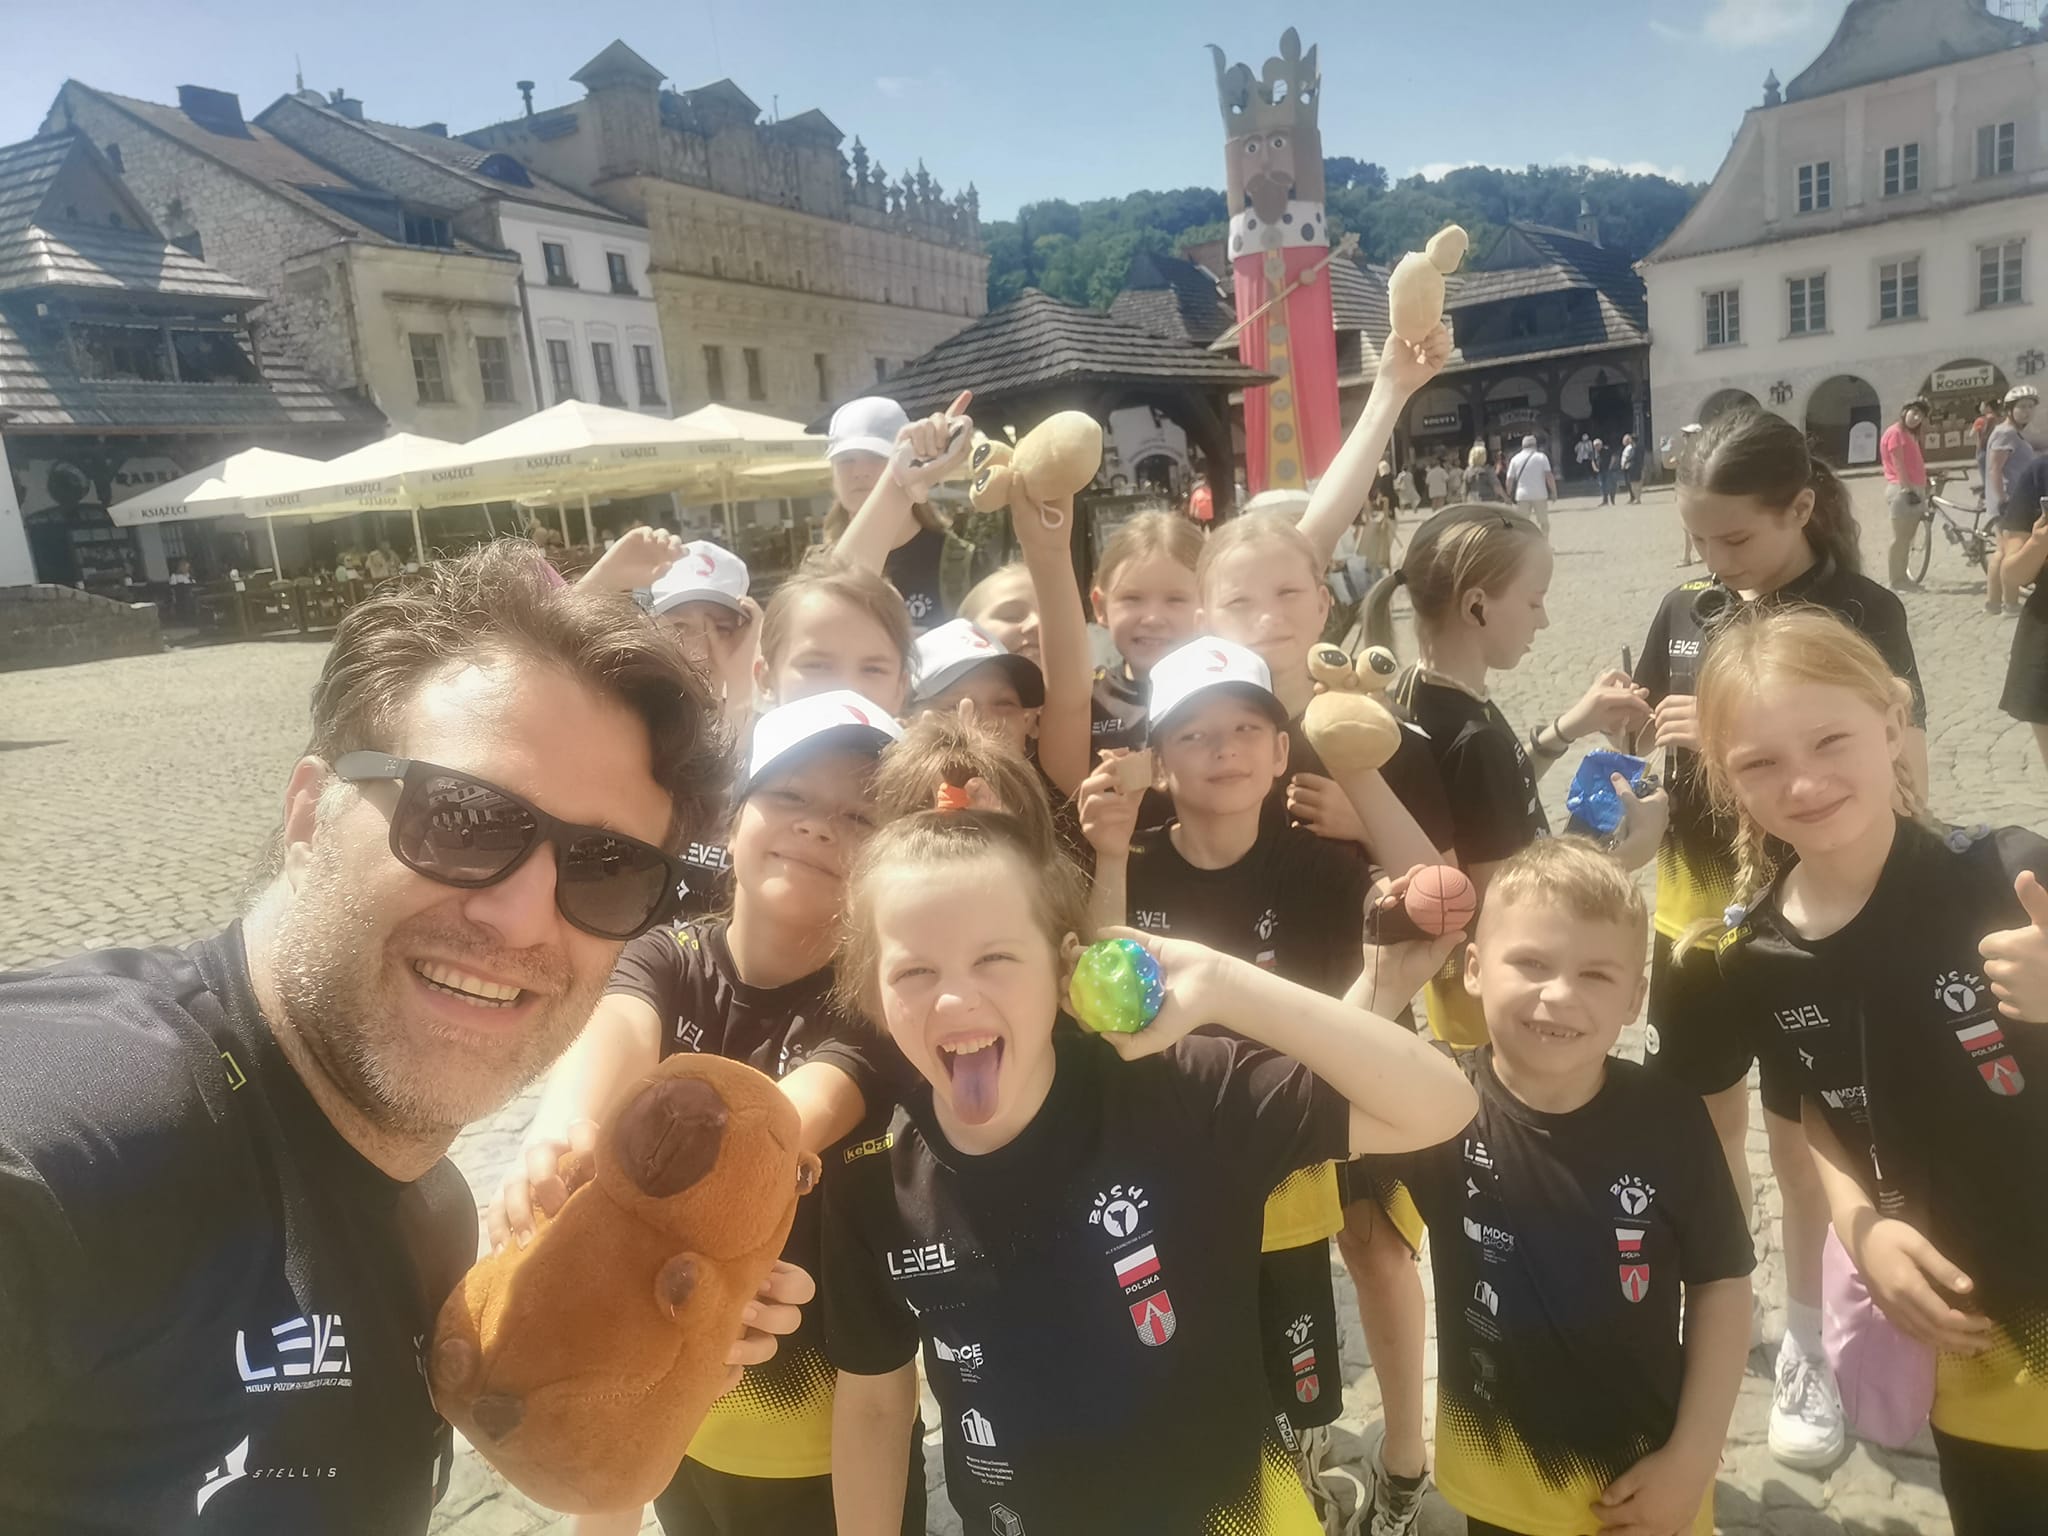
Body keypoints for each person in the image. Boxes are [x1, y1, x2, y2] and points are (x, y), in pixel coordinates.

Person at [0, 543, 806, 1534]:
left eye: (606, 870)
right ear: (308, 816)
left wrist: (632, 1342)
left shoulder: (433, 1216)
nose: (521, 916)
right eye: (462, 818)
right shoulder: (97, 1137)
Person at [819, 808, 1479, 1535]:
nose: (954, 998)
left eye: (995, 958)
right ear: (872, 992)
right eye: (914, 970)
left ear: (1065, 967)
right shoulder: (871, 1183)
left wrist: (1226, 984)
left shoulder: (1178, 1093)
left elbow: (1442, 1106)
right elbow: (874, 1403)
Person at [490, 694, 918, 1536]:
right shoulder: (666, 956)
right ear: (730, 820)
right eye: (788, 794)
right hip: (674, 1431)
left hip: (833, 1455)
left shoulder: (875, 1010)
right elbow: (612, 1037)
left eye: (859, 816)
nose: (818, 825)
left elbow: (780, 1123)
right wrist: (557, 1141)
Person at [1694, 607, 2048, 1534]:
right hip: (1974, 1327)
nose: (1804, 782)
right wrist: (1863, 1231)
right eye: (1760, 763)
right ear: (1726, 781)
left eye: (1830, 740)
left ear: (1892, 724)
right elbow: (1818, 1109)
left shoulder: (2011, 874)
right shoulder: (1758, 955)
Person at [1630, 406, 1927, 1472]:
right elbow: (1653, 769)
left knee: (1806, 1147)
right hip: (1694, 922)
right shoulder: (1686, 606)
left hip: (1816, 923)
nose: (1716, 560)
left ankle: (1807, 1335)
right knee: (1704, 1133)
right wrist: (1634, 765)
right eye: (1698, 538)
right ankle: (1728, 1303)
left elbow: (1904, 765)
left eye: (1736, 537)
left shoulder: (1861, 611)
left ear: (1800, 507)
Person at [1080, 637, 1409, 1523]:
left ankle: (1303, 1475)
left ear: (1279, 751)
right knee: (1193, 1351)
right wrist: (1107, 856)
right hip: (1168, 1163)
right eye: (1192, 734)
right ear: (1157, 761)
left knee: (1296, 1363)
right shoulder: (1132, 860)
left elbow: (1402, 942)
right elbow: (1105, 1000)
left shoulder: (1321, 865)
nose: (1222, 749)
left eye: (1244, 729)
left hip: (1288, 1158)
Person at [1353, 841, 1754, 1536]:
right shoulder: (1439, 1106)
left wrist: (1693, 1456)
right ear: (1473, 970)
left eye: (1596, 974)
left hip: (1646, 1485)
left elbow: (1723, 1285)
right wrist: (1383, 984)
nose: (1560, 994)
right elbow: (1306, 1091)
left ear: (1635, 998)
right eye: (1531, 963)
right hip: (1496, 1481)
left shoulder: (1670, 1117)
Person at [671, 556, 916, 918]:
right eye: (816, 665)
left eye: (873, 669)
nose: (846, 686)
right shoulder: (696, 789)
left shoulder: (920, 807)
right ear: (765, 678)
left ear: (901, 688)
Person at [826, 394, 976, 630]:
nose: (860, 471)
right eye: (846, 459)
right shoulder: (817, 567)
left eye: (876, 456)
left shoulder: (962, 563)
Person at [1085, 511, 1204, 753]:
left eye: (1175, 599)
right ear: (1101, 607)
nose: (1152, 619)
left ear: (1208, 605)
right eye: (1132, 598)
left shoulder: (1233, 692)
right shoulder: (1086, 699)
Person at [1985, 385, 2041, 615]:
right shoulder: (2005, 433)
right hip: (2010, 503)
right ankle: (2010, 603)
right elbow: (1995, 469)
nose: (2027, 411)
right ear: (2010, 409)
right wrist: (2003, 499)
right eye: (2022, 407)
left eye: (2030, 407)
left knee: (2001, 551)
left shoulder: (2012, 433)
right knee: (2011, 553)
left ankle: (1993, 603)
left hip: (2012, 501)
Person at [1882, 398, 1933, 591]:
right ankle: (1896, 580)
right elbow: (1899, 464)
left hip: (1913, 488)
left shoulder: (1908, 434)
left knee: (1907, 538)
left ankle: (1903, 577)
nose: (1917, 418)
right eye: (1914, 413)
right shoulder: (1895, 433)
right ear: (1905, 411)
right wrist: (1907, 489)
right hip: (1902, 490)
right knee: (1900, 538)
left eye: (1921, 415)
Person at [1505, 433, 1557, 536]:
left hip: (1522, 495)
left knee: (1522, 523)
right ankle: (1544, 541)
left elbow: (1509, 479)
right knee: (1544, 522)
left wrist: (1508, 495)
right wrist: (1554, 492)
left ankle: (1524, 542)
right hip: (1540, 494)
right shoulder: (1541, 457)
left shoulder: (1515, 459)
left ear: (1522, 445)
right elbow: (1549, 476)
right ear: (1535, 445)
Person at [1621, 432, 1643, 504]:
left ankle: (1637, 498)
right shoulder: (1635, 447)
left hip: (1634, 467)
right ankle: (1636, 498)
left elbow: (1633, 457)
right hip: (1634, 467)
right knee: (1634, 483)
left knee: (1635, 483)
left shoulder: (1635, 448)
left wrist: (1627, 462)